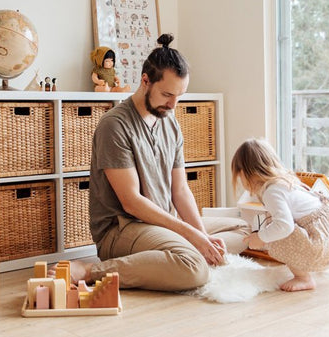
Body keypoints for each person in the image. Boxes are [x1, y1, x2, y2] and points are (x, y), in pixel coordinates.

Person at [50, 34, 250, 291]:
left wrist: (202, 236)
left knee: (243, 228)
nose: (173, 104)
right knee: (194, 269)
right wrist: (192, 237)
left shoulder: (170, 122)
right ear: (145, 81)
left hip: (163, 221)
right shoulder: (115, 125)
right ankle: (90, 271)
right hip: (124, 229)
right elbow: (131, 202)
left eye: (179, 95)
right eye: (167, 94)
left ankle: (176, 252)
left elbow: (180, 190)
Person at [231, 138, 329, 292]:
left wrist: (260, 237)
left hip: (323, 245)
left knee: (280, 231)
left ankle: (303, 278)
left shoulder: (272, 191)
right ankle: (306, 269)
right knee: (278, 226)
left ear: (245, 172)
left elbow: (284, 226)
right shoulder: (287, 181)